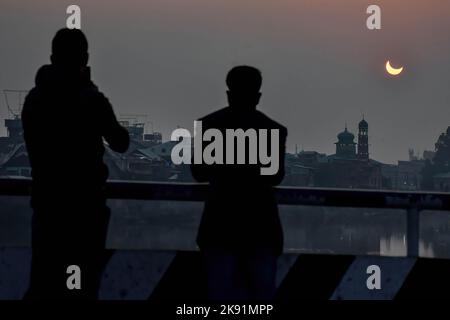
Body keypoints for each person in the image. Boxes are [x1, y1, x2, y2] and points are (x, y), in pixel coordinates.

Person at [22, 28, 129, 299]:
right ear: (85, 58)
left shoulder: (35, 99)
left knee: (43, 282)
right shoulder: (90, 99)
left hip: (47, 205)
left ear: (52, 56)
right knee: (82, 285)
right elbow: (120, 142)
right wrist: (90, 90)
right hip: (84, 209)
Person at [191, 66, 287, 300]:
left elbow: (199, 173)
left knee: (218, 294)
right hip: (261, 225)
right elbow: (275, 176)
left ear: (228, 92)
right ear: (258, 95)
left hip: (219, 224)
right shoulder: (273, 130)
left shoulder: (208, 126)